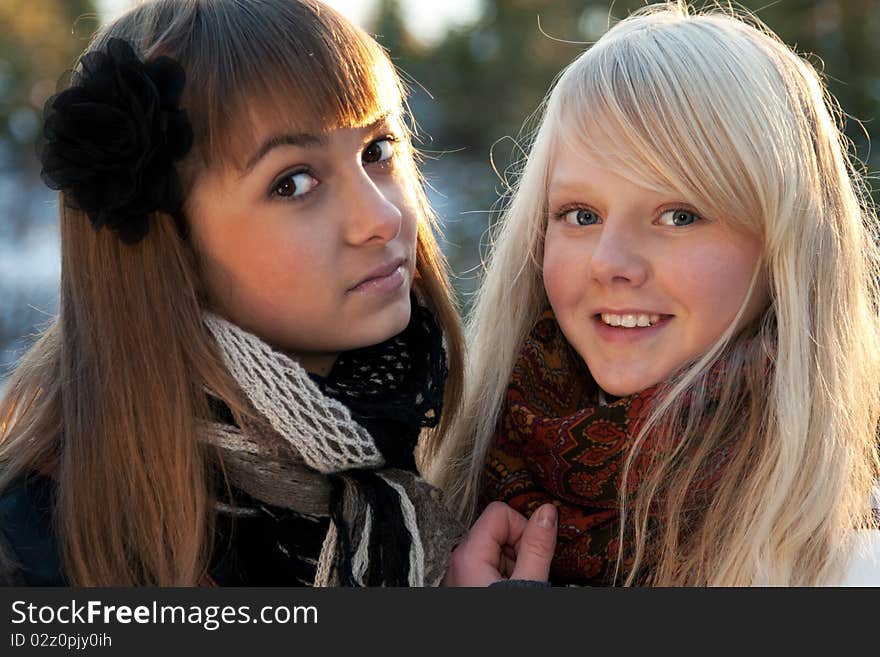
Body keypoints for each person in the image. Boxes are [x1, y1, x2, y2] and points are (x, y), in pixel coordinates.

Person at [0, 0, 555, 587]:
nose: (381, 217)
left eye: (378, 151)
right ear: (174, 251)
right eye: (294, 182)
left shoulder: (421, 489)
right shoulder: (35, 552)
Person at [429, 1, 880, 586]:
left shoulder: (851, 556)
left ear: (786, 246)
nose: (610, 263)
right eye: (581, 213)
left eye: (679, 215)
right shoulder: (443, 484)